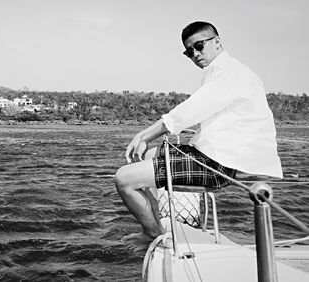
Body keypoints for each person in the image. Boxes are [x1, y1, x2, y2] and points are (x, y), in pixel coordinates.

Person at [114, 21, 283, 244]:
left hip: (216, 165)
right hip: (211, 156)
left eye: (199, 46)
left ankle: (151, 233)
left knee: (124, 179)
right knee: (146, 157)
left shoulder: (230, 73)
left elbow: (191, 110)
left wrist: (144, 135)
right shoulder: (222, 72)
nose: (195, 54)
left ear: (217, 43)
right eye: (189, 51)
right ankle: (157, 225)